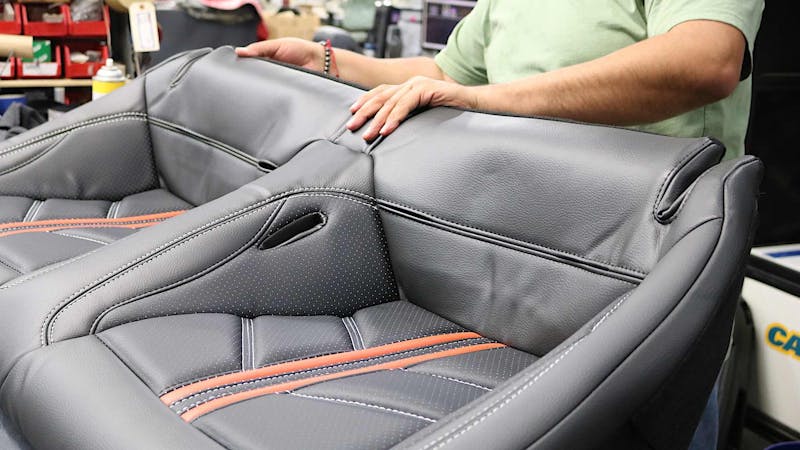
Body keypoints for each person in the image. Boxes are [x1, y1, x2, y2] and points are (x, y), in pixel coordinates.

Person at [237, 0, 763, 160]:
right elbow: (445, 74)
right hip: (526, 224)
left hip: (649, 241)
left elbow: (704, 61)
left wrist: (486, 100)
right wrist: (325, 61)